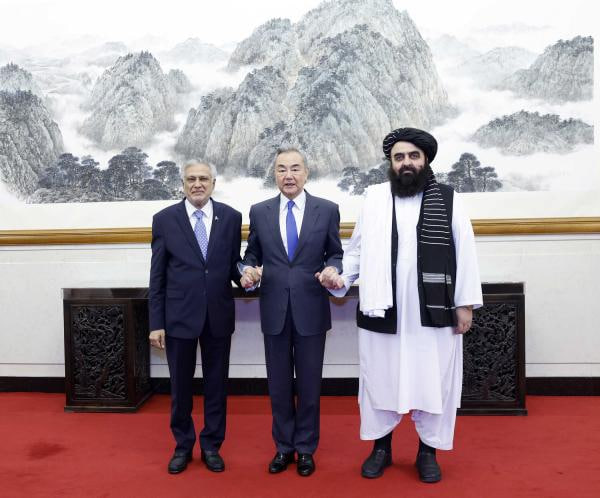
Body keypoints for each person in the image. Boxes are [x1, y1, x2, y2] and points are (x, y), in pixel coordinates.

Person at [320, 128, 483, 483]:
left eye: (413, 156)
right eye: (399, 157)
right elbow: (357, 251)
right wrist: (340, 278)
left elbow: (465, 252)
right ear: (391, 163)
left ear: (425, 160)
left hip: (433, 310)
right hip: (383, 308)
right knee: (381, 377)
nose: (406, 163)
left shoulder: (449, 199)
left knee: (432, 379)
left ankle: (428, 452)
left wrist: (465, 304)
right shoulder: (375, 198)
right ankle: (381, 448)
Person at [240, 147, 343, 476]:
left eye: (295, 168)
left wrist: (333, 268)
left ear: (306, 173)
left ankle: (306, 448)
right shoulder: (260, 211)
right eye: (282, 169)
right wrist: (247, 270)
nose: (288, 175)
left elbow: (335, 253)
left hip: (311, 308)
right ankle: (284, 447)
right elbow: (251, 255)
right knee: (279, 385)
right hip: (274, 309)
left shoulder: (327, 210)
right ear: (274, 174)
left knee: (310, 386)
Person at [148, 160, 242, 475]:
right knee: (180, 388)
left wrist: (247, 276)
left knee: (217, 386)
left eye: (203, 178)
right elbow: (157, 276)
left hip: (218, 315)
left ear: (213, 183)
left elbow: (233, 265)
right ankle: (183, 445)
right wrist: (156, 323)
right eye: (191, 179)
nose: (197, 184)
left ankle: (212, 446)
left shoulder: (231, 217)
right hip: (178, 318)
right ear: (183, 184)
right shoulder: (164, 220)